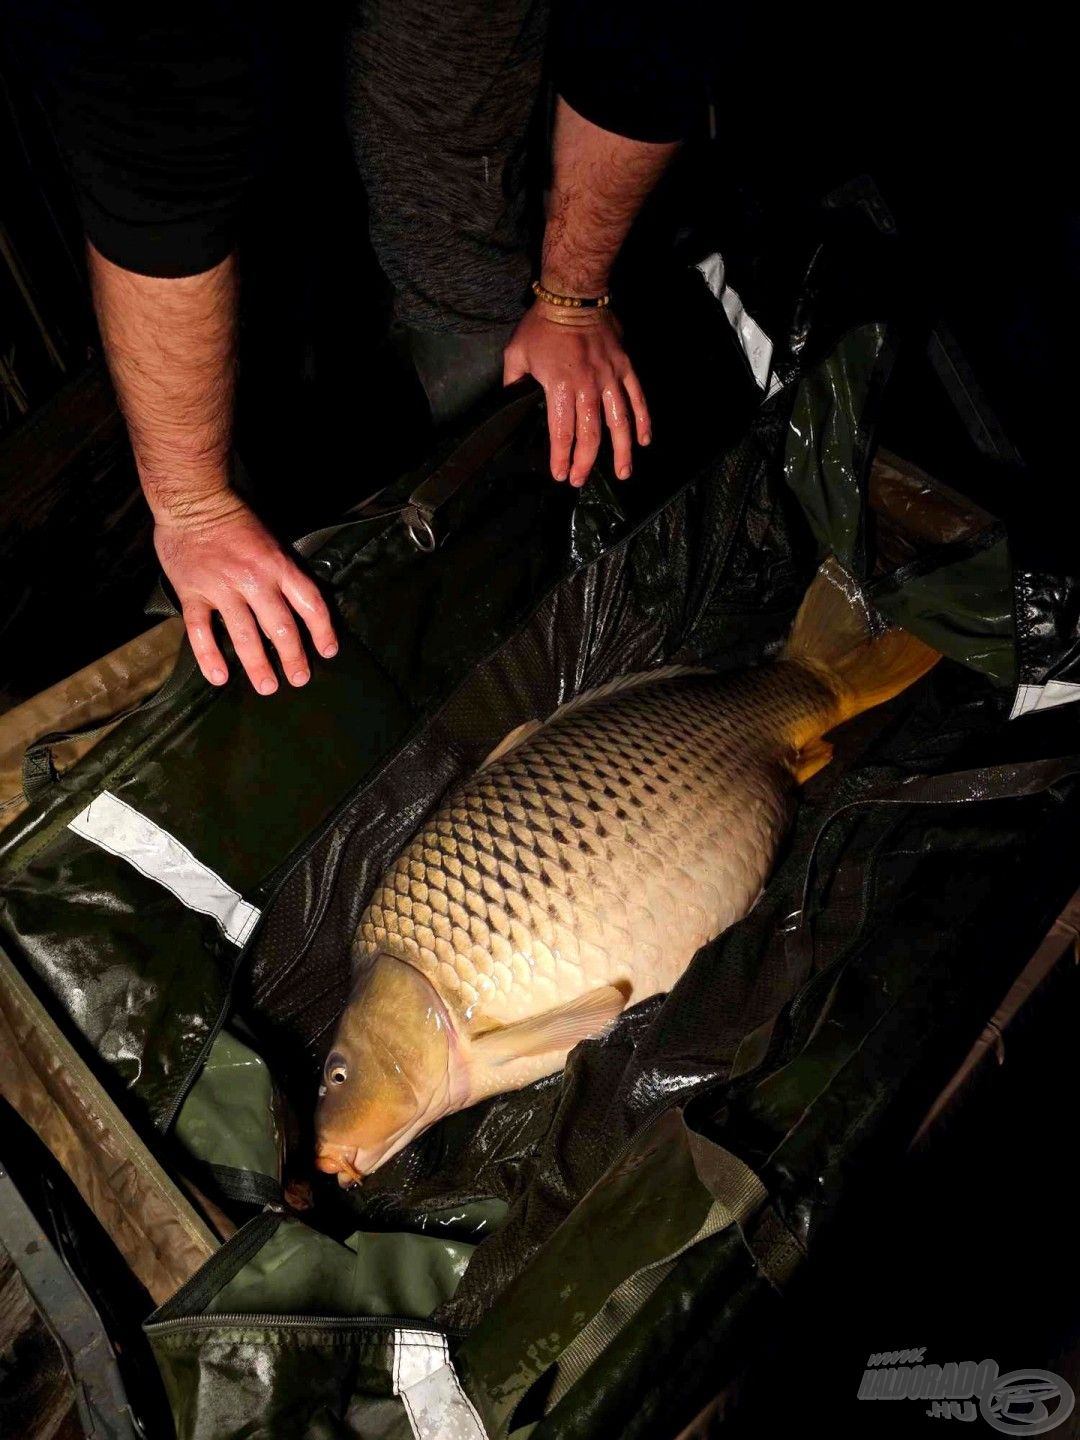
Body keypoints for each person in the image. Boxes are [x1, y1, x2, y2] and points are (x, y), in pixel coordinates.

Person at [16, 2, 701, 695]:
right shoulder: (160, 64)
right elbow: (155, 206)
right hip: (221, 169)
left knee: (460, 225)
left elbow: (650, 50)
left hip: (446, 129)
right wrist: (193, 505)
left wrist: (571, 302)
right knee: (262, 329)